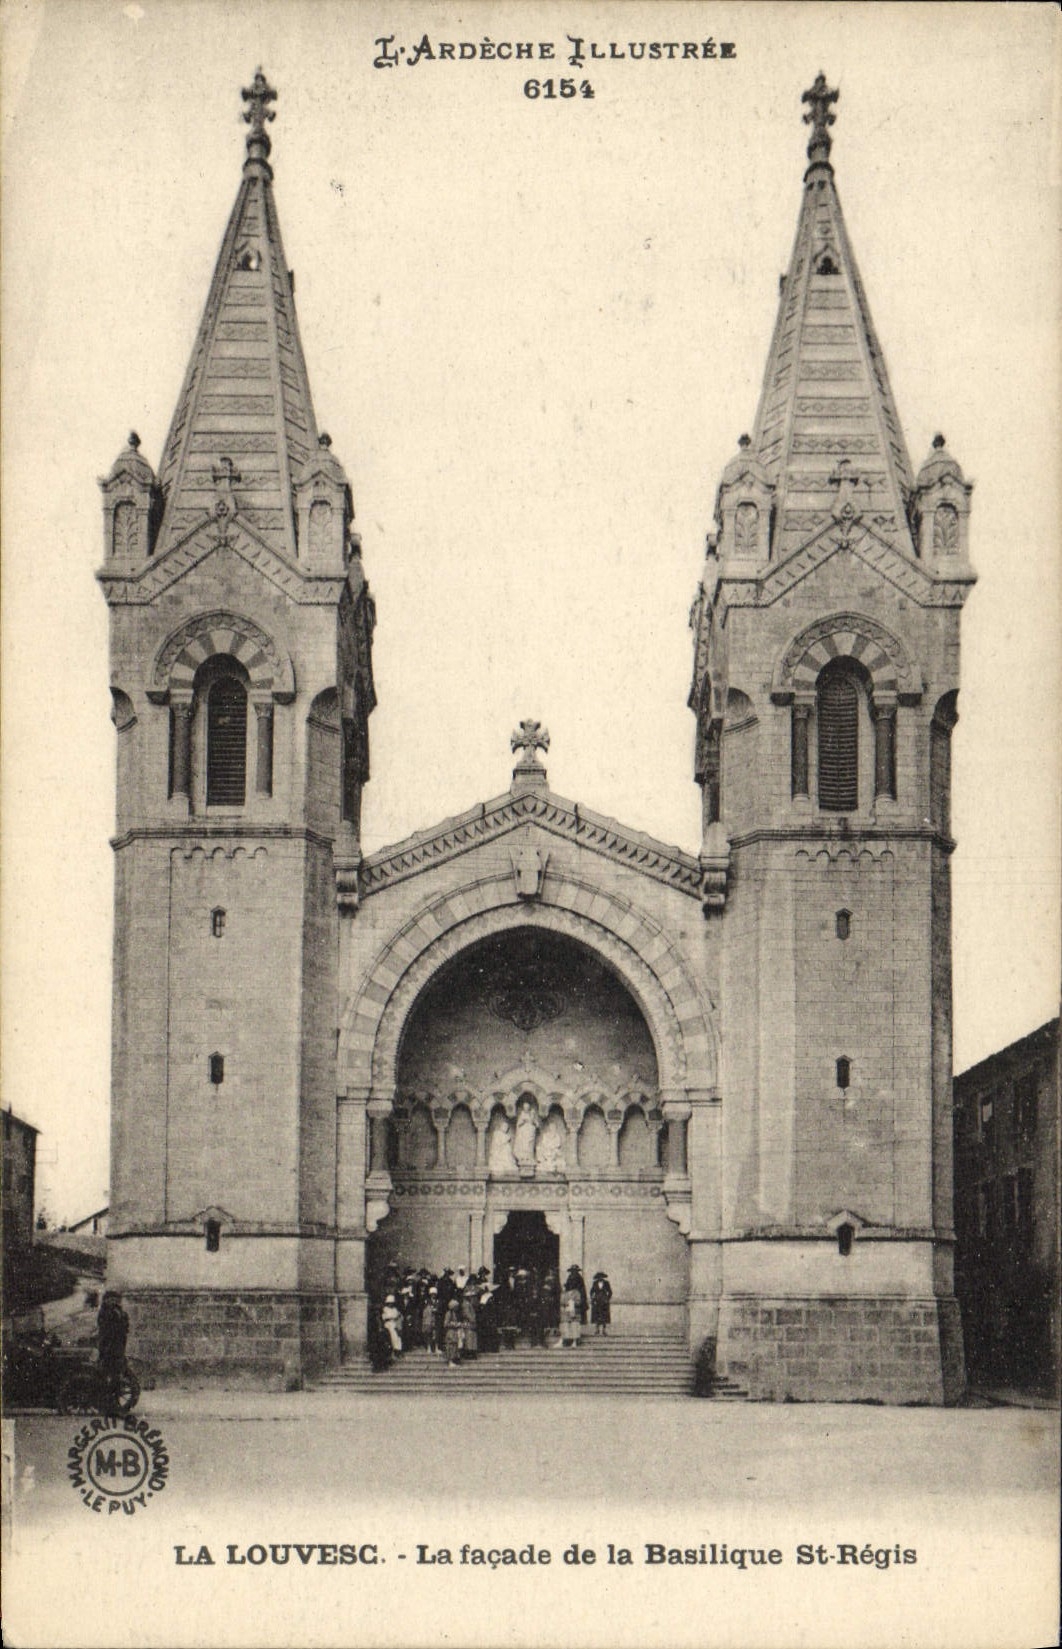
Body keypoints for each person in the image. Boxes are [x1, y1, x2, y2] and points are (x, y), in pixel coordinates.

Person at [96, 1290, 130, 1413]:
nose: (114, 1302)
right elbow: (106, 1331)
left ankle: (114, 1403)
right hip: (108, 1348)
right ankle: (107, 1405)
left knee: (116, 1378)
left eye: (116, 1299)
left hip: (118, 1348)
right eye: (112, 1299)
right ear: (106, 1300)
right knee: (107, 1378)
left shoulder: (119, 1312)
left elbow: (125, 1326)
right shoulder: (105, 1312)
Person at [443, 1295, 463, 1368]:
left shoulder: (454, 1313)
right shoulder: (449, 1313)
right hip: (450, 1332)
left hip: (454, 1332)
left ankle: (453, 1360)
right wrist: (455, 1324)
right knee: (451, 1346)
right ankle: (450, 1361)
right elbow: (446, 1323)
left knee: (454, 1346)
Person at [560, 1281, 582, 1349]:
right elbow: (561, 1301)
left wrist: (573, 1302)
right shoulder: (564, 1293)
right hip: (566, 1312)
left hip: (574, 1312)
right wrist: (566, 1303)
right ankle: (565, 1340)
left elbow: (579, 1302)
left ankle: (574, 1341)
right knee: (566, 1325)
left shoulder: (577, 1293)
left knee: (574, 1326)